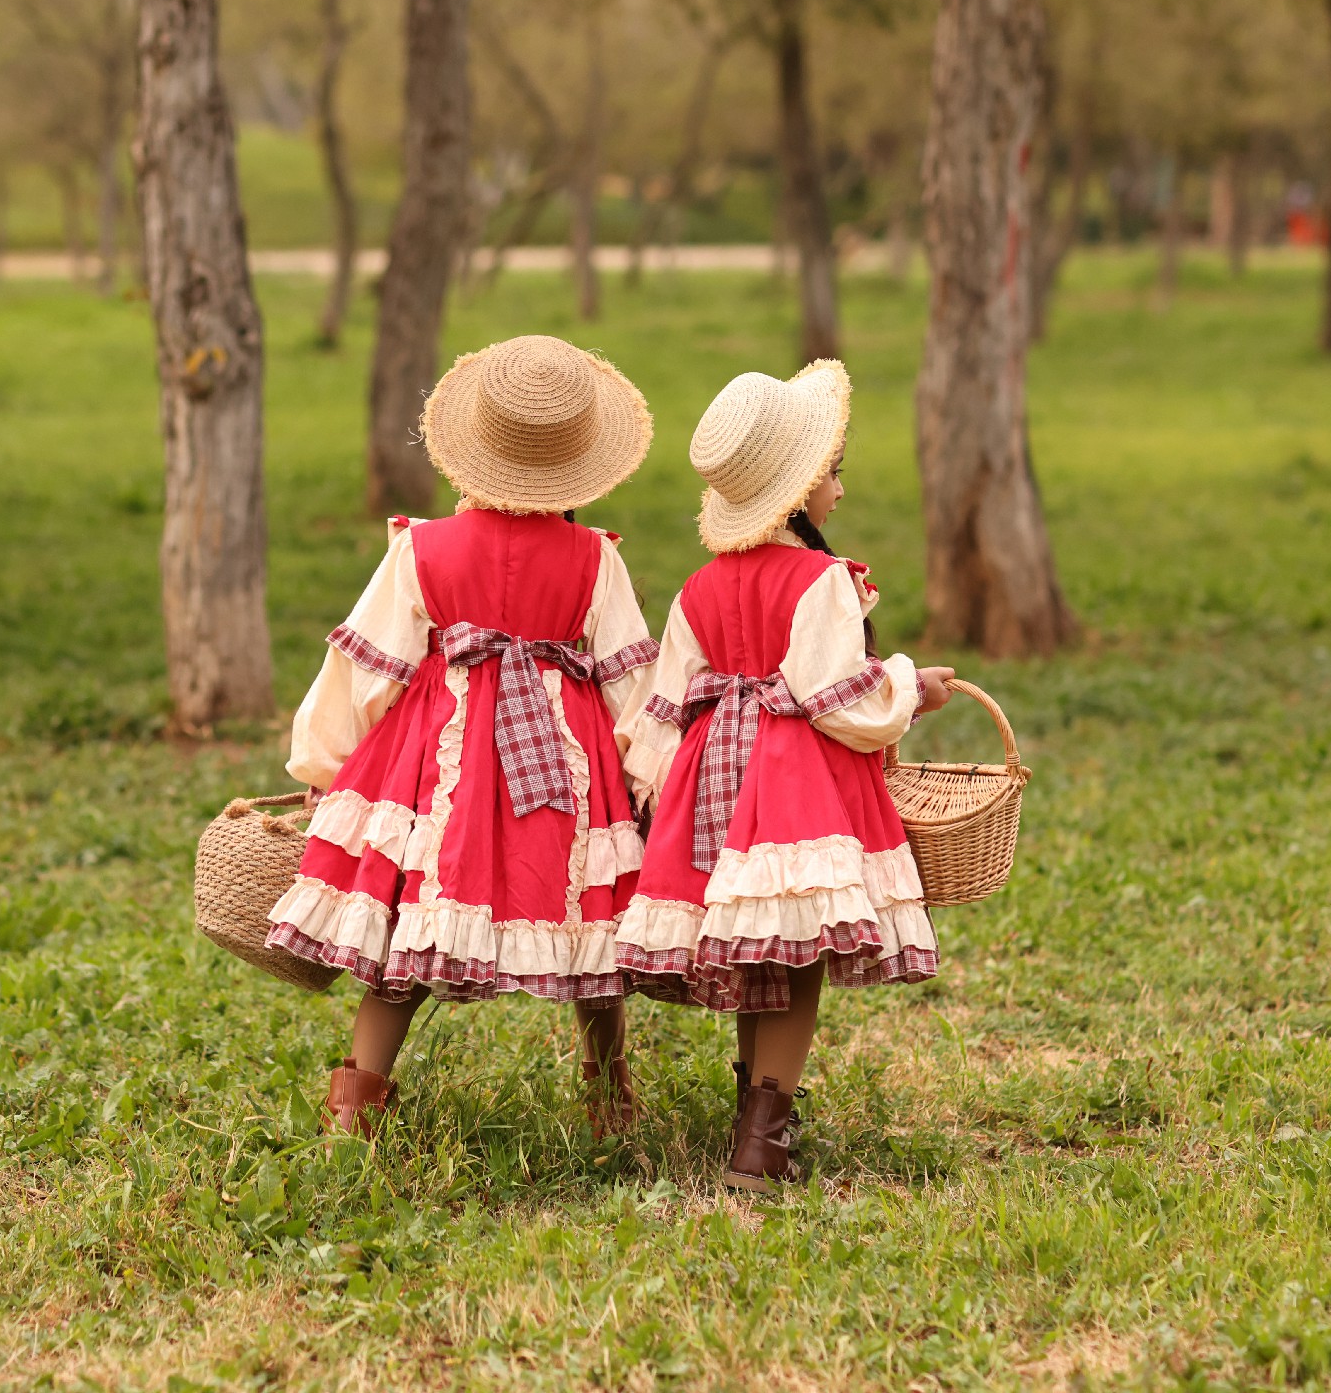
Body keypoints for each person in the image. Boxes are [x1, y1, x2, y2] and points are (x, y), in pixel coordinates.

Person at [268, 335, 661, 1137]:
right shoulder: (594, 559)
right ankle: (608, 1091)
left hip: (435, 763)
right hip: (566, 764)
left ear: (469, 449)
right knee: (586, 915)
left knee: (413, 914)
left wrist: (327, 763)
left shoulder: (422, 548)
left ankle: (356, 1102)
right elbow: (634, 687)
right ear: (578, 465)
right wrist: (650, 776)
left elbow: (367, 665)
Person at [613, 361, 955, 1191]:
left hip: (712, 782)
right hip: (791, 785)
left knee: (757, 946)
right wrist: (912, 688)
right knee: (795, 956)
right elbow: (836, 697)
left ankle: (754, 1124)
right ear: (799, 490)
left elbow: (665, 704)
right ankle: (764, 1139)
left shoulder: (700, 586)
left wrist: (651, 789)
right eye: (832, 472)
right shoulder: (819, 580)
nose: (840, 486)